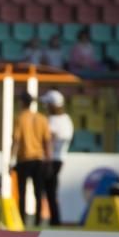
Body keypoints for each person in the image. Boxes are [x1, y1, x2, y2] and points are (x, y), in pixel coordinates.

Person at [11, 91, 52, 228]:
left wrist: (11, 160)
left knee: (22, 193)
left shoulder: (20, 118)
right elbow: (47, 142)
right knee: (38, 192)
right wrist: (49, 160)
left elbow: (16, 140)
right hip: (39, 160)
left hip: (24, 160)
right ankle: (38, 221)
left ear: (22, 103)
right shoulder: (42, 118)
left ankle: (22, 219)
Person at [41, 89, 73, 227]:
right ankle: (55, 219)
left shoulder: (52, 120)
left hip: (51, 159)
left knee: (49, 190)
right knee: (51, 190)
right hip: (60, 158)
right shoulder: (67, 119)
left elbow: (49, 139)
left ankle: (55, 219)